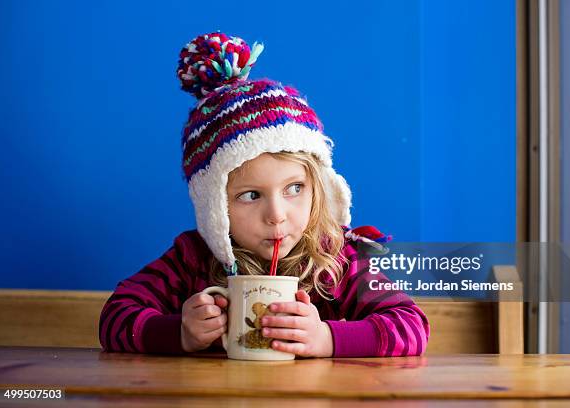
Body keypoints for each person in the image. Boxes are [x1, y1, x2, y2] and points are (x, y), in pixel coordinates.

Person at [99, 32, 430, 358]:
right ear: (214, 208)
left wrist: (327, 337)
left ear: (319, 188)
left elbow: (411, 326)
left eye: (294, 189)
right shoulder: (192, 259)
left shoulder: (338, 259)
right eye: (250, 195)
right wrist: (179, 333)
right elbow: (115, 316)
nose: (276, 214)